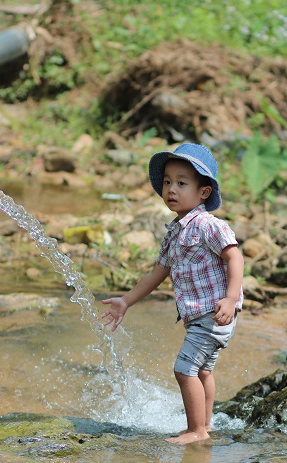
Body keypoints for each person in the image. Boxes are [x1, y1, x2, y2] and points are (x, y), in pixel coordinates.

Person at [101, 143, 244, 445]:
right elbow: (158, 272)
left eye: (182, 183)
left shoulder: (208, 225)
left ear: (203, 192)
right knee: (202, 371)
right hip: (201, 316)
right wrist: (126, 300)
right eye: (167, 181)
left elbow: (234, 257)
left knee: (184, 369)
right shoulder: (175, 232)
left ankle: (196, 431)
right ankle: (205, 427)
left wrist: (231, 299)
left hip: (214, 311)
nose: (171, 189)